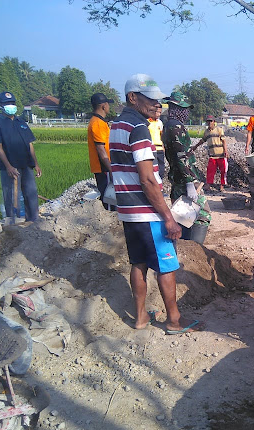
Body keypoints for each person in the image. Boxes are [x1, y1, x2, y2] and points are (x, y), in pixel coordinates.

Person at [109, 74, 199, 334]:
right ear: (132, 97)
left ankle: (140, 318)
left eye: (158, 100)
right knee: (167, 264)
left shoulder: (118, 125)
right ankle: (173, 320)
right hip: (147, 212)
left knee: (138, 263)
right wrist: (168, 218)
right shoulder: (138, 127)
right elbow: (147, 178)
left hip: (128, 211)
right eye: (150, 99)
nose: (155, 104)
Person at [162, 91, 211, 235]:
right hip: (185, 178)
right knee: (203, 214)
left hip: (177, 177)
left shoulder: (167, 126)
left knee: (183, 215)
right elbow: (180, 156)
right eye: (184, 110)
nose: (186, 113)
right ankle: (194, 249)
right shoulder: (176, 127)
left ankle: (185, 246)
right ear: (176, 109)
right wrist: (189, 182)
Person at [0, 91, 42, 223]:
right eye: (7, 103)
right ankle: (13, 225)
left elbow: (30, 144)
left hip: (26, 165)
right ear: (1, 106)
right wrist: (8, 166)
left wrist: (35, 163)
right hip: (10, 168)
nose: (10, 106)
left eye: (12, 103)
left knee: (31, 194)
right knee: (11, 198)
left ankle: (33, 221)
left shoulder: (21, 121)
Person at [87, 92, 116, 210]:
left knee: (110, 197)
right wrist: (110, 168)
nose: (109, 107)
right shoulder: (97, 123)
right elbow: (100, 148)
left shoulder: (100, 122)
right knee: (110, 198)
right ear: (103, 106)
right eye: (108, 104)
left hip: (104, 166)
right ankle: (109, 223)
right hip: (103, 167)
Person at [190, 114, 228, 191]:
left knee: (223, 171)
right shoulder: (206, 132)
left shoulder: (219, 130)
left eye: (211, 121)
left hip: (221, 155)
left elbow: (224, 141)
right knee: (210, 171)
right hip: (212, 155)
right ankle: (208, 185)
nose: (209, 123)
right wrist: (195, 146)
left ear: (214, 122)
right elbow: (202, 141)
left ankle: (222, 185)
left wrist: (226, 151)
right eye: (208, 121)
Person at [148, 105, 165, 185]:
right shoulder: (147, 122)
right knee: (152, 169)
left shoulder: (160, 123)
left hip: (159, 148)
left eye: (160, 112)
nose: (158, 114)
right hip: (151, 148)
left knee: (161, 169)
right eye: (157, 112)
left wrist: (163, 146)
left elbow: (161, 135)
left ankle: (159, 185)